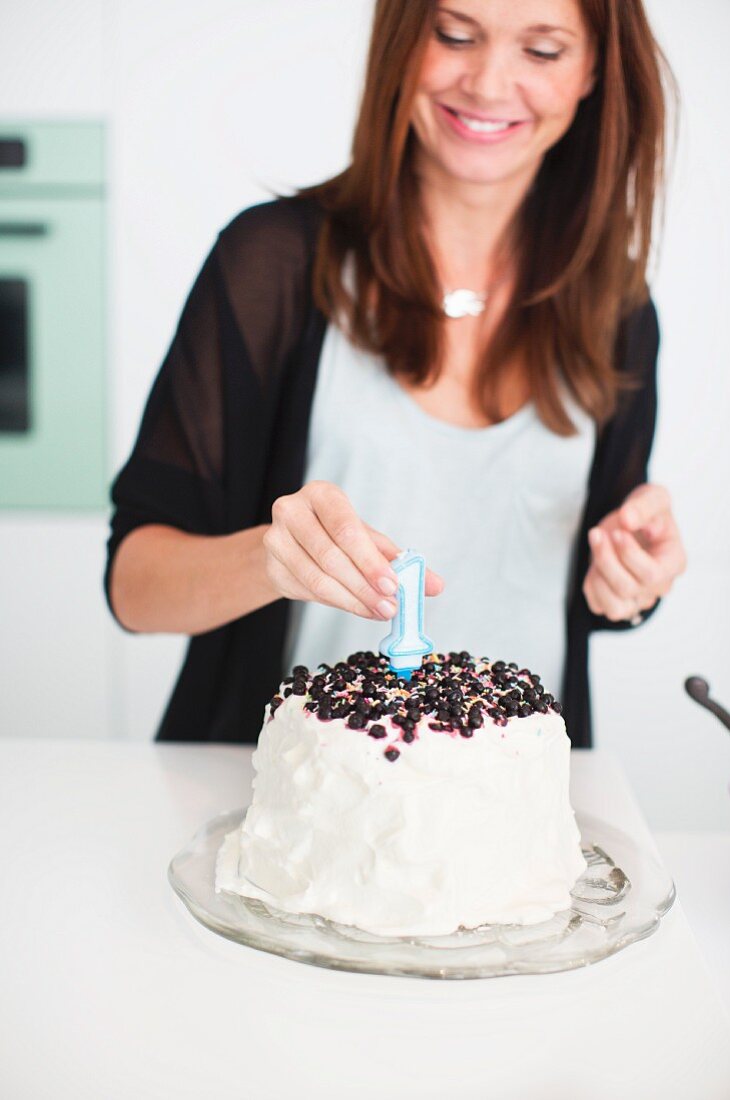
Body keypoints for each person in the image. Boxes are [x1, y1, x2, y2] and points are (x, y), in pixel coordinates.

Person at [105, 0, 687, 747]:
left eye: (542, 51)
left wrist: (632, 578)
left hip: (508, 821)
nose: (487, 82)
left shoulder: (620, 314)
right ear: (400, 40)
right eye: (454, 35)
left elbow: (596, 598)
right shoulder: (274, 266)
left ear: (594, 71)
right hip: (281, 814)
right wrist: (271, 559)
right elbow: (134, 586)